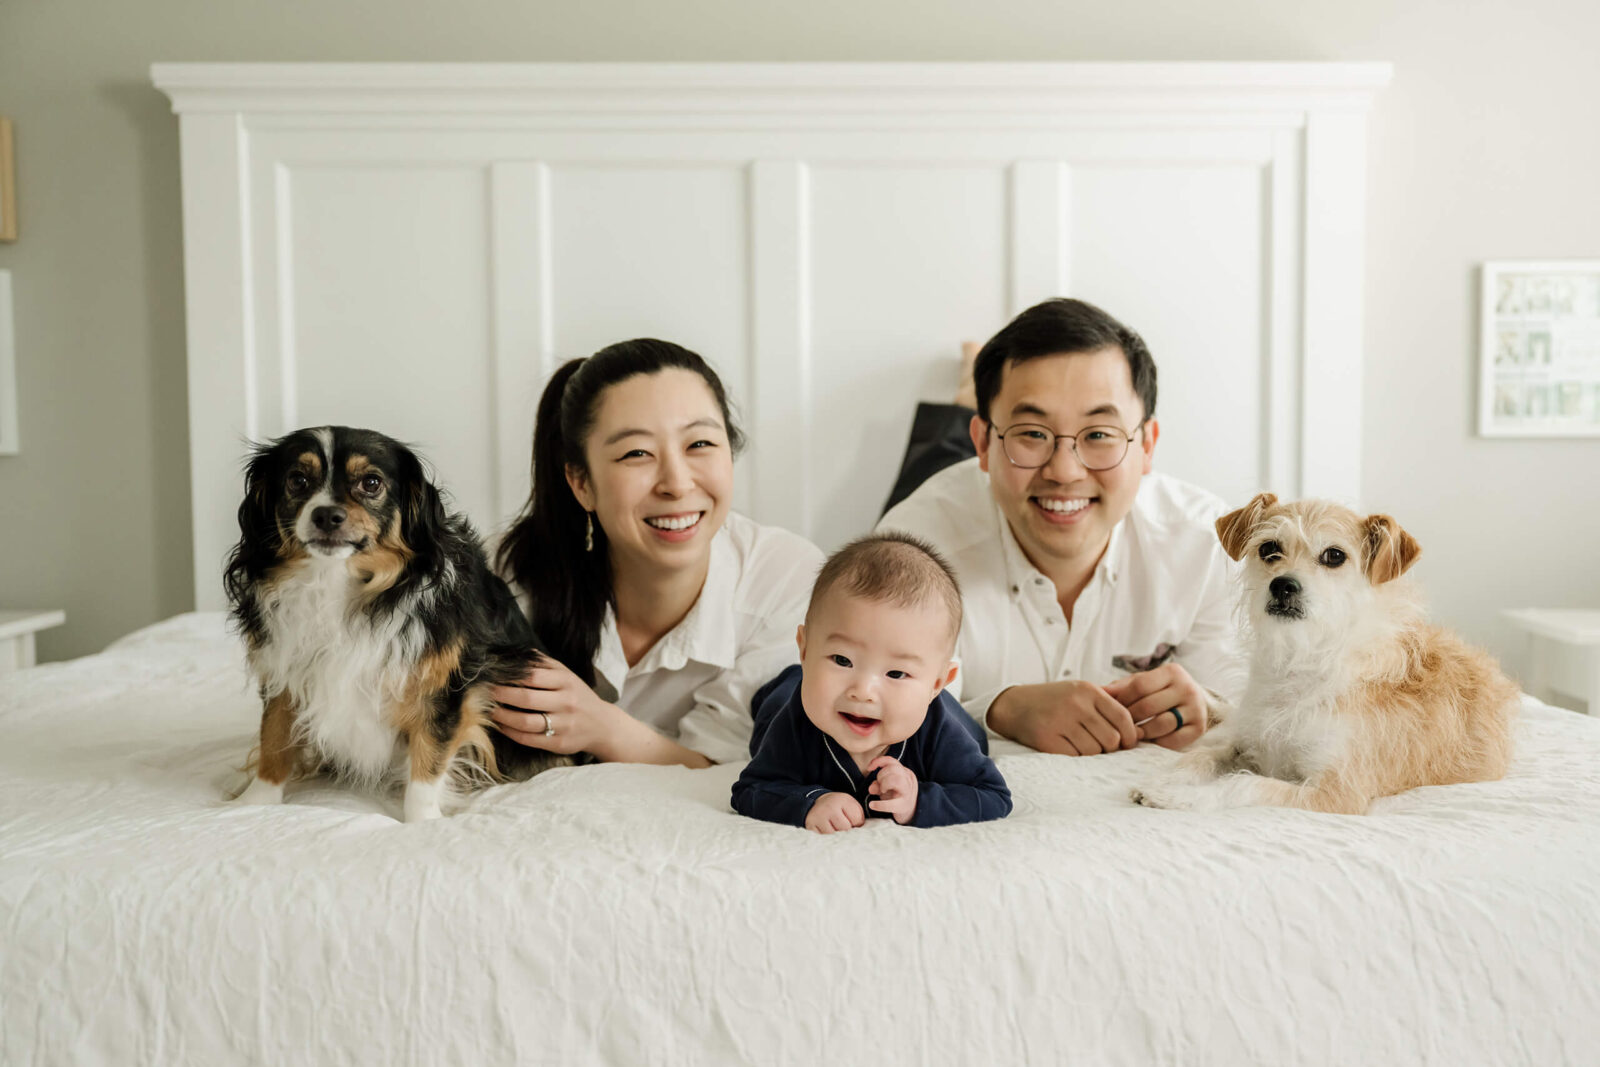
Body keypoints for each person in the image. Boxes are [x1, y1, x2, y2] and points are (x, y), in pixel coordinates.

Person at [878, 299, 1243, 757]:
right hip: (964, 500)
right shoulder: (911, 545)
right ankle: (966, 408)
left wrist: (1209, 708)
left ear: (1147, 445)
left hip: (1004, 480)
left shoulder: (1205, 546)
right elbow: (869, 707)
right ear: (984, 444)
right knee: (933, 465)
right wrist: (1000, 710)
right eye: (1032, 431)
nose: (1065, 470)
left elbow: (1248, 707)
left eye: (1098, 435)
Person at [491, 339, 824, 767]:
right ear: (582, 484)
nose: (677, 483)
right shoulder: (507, 576)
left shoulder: (789, 582)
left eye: (699, 444)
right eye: (637, 453)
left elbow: (737, 770)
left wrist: (601, 727)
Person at [731, 533, 1012, 833]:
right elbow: (751, 789)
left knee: (974, 736)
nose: (863, 691)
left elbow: (994, 797)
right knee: (775, 705)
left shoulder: (941, 734)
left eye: (896, 673)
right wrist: (810, 802)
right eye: (842, 660)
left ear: (938, 683)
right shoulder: (796, 723)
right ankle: (789, 678)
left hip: (942, 714)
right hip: (791, 691)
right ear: (804, 647)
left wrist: (918, 801)